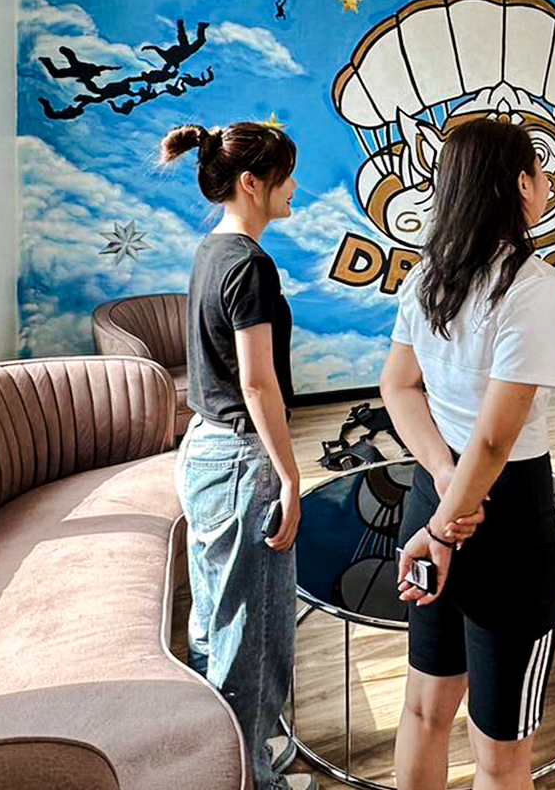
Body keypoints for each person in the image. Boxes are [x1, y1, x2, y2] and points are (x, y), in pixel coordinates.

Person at [382, 117, 555, 790]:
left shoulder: (427, 274)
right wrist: (445, 523)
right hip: (504, 522)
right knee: (501, 753)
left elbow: (397, 386)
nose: (548, 185)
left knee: (424, 710)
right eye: (542, 172)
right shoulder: (534, 285)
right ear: (520, 183)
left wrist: (439, 480)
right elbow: (495, 440)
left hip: (436, 498)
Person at [161, 121, 314, 790]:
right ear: (252, 184)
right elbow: (256, 382)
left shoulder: (211, 250)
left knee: (214, 625)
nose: (295, 188)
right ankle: (251, 778)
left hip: (203, 451)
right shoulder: (251, 264)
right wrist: (288, 473)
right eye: (285, 177)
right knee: (250, 638)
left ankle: (222, 758)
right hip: (239, 462)